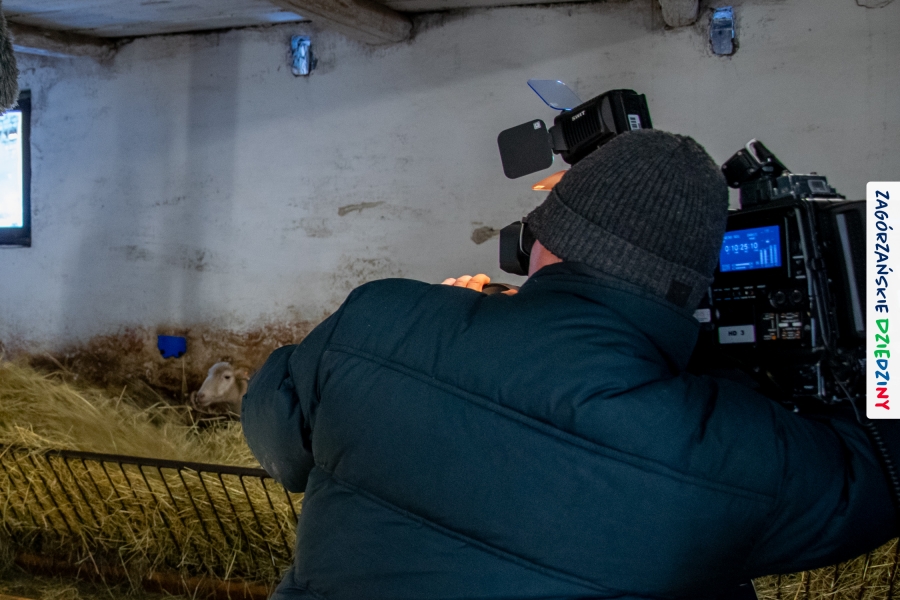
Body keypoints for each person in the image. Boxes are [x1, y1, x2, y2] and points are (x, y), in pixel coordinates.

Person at [242, 130, 899, 600]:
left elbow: (278, 438)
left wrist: (423, 324)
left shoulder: (380, 316)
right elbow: (882, 472)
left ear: (542, 241)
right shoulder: (736, 449)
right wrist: (880, 289)